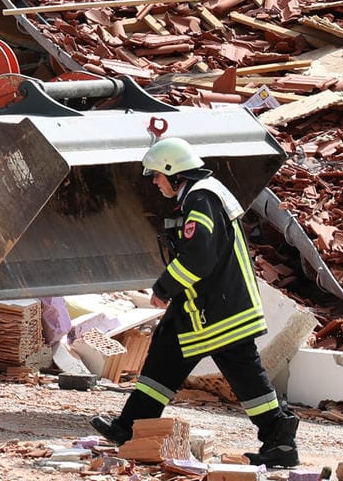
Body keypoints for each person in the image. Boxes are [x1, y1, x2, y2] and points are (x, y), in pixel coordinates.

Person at [91, 137, 301, 469]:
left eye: (158, 175)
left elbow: (198, 258)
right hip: (203, 310)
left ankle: (280, 441)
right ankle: (128, 427)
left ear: (175, 173)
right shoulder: (203, 194)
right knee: (163, 358)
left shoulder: (201, 199)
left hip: (220, 312)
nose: (155, 182)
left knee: (247, 379)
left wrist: (163, 288)